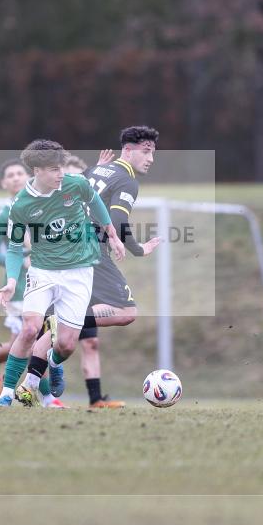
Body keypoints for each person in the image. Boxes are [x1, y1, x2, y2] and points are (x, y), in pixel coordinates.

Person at [0, 139, 125, 407]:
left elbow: (95, 199)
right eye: (54, 169)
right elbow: (15, 248)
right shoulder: (21, 205)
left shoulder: (74, 184)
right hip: (43, 272)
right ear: (37, 171)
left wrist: (112, 234)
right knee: (29, 329)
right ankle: (7, 394)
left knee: (65, 345)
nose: (60, 174)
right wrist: (10, 281)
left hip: (79, 273)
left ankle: (53, 363)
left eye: (61, 168)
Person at [58, 132, 161, 408]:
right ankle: (63, 321)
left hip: (69, 248)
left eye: (153, 152)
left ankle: (32, 385)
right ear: (127, 150)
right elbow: (116, 220)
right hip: (90, 250)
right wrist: (138, 249)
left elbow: (84, 193)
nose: (151, 158)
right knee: (126, 312)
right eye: (147, 151)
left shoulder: (97, 170)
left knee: (72, 340)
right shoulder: (126, 180)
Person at [0, 158, 65, 408]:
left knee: (33, 339)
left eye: (20, 173)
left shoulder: (45, 203)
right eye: (10, 175)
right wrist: (24, 260)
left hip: (50, 281)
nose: (16, 177)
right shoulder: (6, 212)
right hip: (20, 287)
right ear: (4, 183)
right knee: (33, 339)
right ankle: (45, 397)